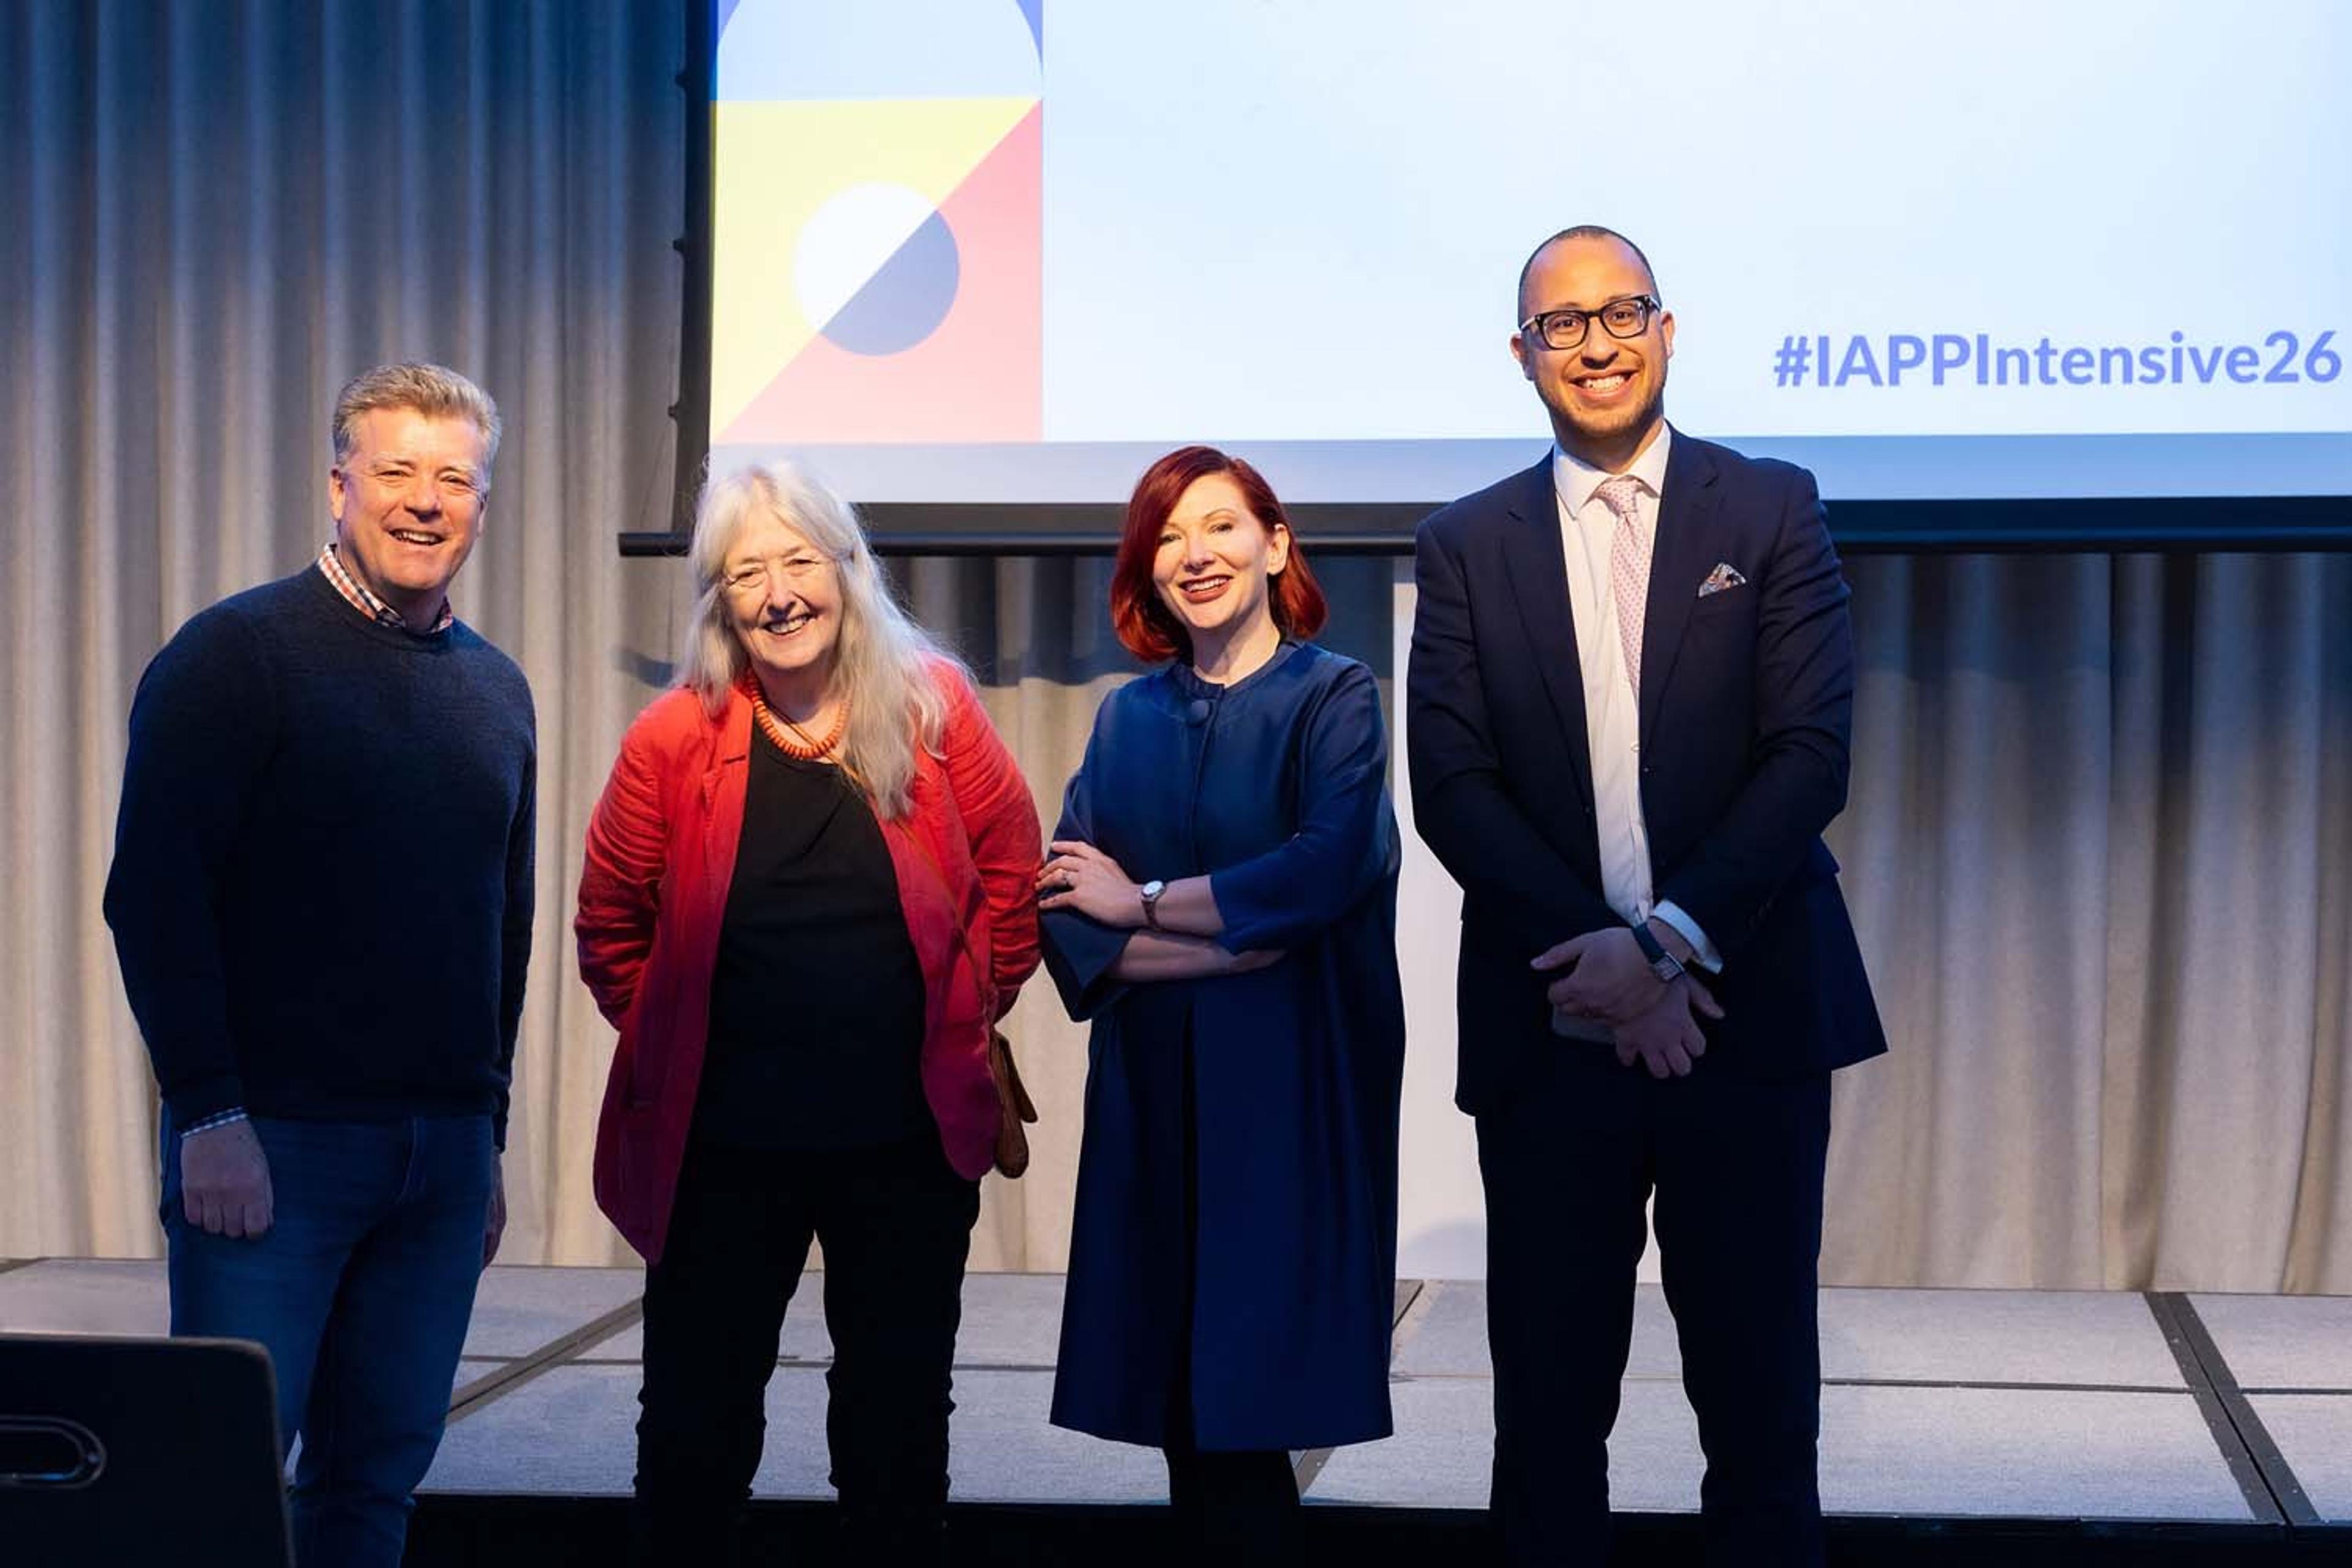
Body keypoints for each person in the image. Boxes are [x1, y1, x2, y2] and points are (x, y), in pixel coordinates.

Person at [1406, 227, 1888, 1566]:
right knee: (1550, 1412)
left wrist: (1668, 949)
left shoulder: (1770, 506)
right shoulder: (1464, 542)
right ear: (1523, 357)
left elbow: (1811, 756)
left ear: (1669, 331)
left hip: (1750, 1014)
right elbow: (1452, 783)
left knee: (1758, 1404)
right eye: (1562, 326)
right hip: (1553, 1030)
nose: (1597, 343)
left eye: (1623, 314)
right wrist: (1604, 970)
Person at [102, 363, 533, 1567]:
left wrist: (484, 1133)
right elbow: (152, 897)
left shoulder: (499, 689)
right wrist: (210, 1111)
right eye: (396, 471)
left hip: (440, 1161)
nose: (424, 501)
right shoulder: (236, 654)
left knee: (376, 1482)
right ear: (340, 484)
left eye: (454, 477)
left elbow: (504, 922)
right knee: (224, 1492)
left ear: (484, 504)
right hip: (274, 1147)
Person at [574, 462, 1041, 1565]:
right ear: (720, 601)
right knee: (694, 1427)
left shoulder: (935, 708)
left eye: (799, 562)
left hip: (907, 1142)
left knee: (896, 1424)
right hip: (722, 1145)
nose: (779, 593)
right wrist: (681, 1045)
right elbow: (611, 926)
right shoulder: (672, 737)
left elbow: (1012, 884)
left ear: (846, 570)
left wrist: (964, 1017)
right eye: (748, 572)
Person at [1039, 445, 1406, 1564]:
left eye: (1220, 527)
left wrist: (1141, 900)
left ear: (1275, 545)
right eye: (1168, 536)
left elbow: (1324, 871)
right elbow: (1064, 909)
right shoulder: (1125, 719)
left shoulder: (1335, 694)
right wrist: (1210, 941)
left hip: (1292, 1084)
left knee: (1252, 1396)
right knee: (1178, 1401)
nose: (1194, 554)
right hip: (1159, 1090)